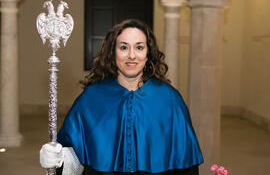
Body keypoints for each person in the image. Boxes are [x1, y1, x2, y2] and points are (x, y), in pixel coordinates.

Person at [39, 19, 204, 175]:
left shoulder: (169, 99)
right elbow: (74, 156)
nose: (131, 55)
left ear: (148, 53)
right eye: (123, 47)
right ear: (112, 52)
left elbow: (186, 165)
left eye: (139, 47)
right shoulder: (91, 99)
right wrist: (58, 158)